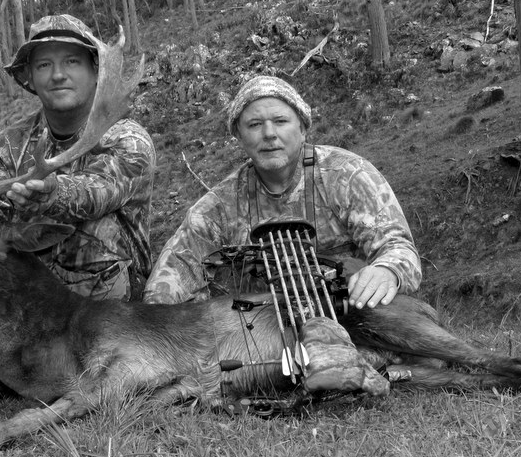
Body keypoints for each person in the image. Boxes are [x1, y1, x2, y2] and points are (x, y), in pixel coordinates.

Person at [0, 14, 156, 409]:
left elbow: (100, 192)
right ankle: (30, 370)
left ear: (94, 72)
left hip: (101, 306)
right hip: (20, 304)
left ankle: (81, 371)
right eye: (44, 64)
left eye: (72, 61)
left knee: (98, 224)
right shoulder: (9, 143)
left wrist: (53, 192)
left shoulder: (127, 139)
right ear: (30, 77)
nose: (58, 74)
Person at [142, 75, 421, 396]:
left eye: (280, 121)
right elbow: (169, 282)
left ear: (302, 127)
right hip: (273, 334)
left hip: (355, 319)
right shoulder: (218, 207)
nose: (269, 134)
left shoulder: (347, 176)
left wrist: (388, 271)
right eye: (255, 124)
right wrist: (173, 341)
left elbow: (399, 248)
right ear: (238, 135)